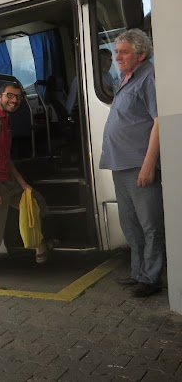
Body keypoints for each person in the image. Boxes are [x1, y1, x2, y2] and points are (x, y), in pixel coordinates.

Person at [0, 81, 57, 289]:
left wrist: (23, 184)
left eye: (18, 97)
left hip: (5, 180)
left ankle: (39, 246)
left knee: (34, 201)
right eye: (10, 96)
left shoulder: (5, 121)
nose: (14, 100)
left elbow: (6, 159)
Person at [99, 29, 165, 298]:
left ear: (141, 54)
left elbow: (159, 121)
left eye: (123, 52)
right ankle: (138, 272)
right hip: (120, 164)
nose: (117, 57)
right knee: (131, 224)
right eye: (116, 52)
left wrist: (149, 165)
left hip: (139, 164)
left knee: (150, 225)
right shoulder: (126, 78)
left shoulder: (149, 76)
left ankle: (151, 279)